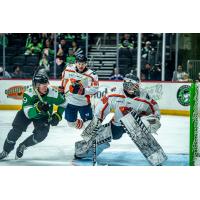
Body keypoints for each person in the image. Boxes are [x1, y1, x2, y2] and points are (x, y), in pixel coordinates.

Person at [75, 74, 161, 159]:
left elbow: (154, 110)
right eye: (129, 85)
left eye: (135, 86)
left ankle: (154, 154)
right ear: (124, 84)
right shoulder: (114, 94)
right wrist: (92, 130)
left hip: (136, 125)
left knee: (148, 124)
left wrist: (153, 121)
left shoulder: (144, 96)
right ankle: (83, 150)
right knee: (101, 136)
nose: (132, 88)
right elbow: (100, 111)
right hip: (118, 125)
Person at [0, 73, 67, 160]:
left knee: (41, 135)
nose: (46, 87)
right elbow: (28, 114)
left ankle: (23, 145)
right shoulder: (29, 93)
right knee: (15, 131)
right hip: (25, 114)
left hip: (43, 116)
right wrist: (38, 108)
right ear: (36, 86)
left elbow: (64, 103)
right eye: (43, 85)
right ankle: (6, 151)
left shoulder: (53, 93)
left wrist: (58, 116)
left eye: (46, 85)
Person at [60, 54, 99, 129]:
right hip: (70, 102)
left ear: (86, 64)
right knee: (71, 124)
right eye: (79, 63)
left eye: (83, 64)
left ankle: (92, 137)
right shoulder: (69, 69)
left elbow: (95, 89)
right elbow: (64, 78)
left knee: (88, 123)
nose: (81, 66)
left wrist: (82, 91)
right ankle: (88, 129)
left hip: (84, 103)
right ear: (76, 63)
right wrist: (62, 88)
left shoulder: (92, 75)